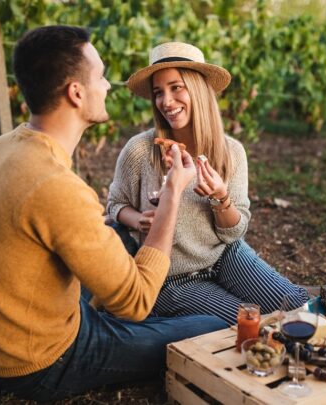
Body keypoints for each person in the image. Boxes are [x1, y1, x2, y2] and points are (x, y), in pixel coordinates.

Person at [0, 26, 226, 402]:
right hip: (39, 361)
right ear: (76, 93)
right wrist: (174, 193)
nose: (109, 86)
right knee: (214, 325)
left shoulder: (1, 148)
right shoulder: (57, 186)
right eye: (100, 76)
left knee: (114, 232)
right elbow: (137, 300)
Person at [107, 42, 309, 325]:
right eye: (158, 92)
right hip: (171, 278)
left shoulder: (231, 152)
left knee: (300, 310)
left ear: (198, 90)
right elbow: (115, 204)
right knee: (248, 325)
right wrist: (138, 219)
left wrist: (220, 198)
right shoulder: (140, 150)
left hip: (225, 257)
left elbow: (233, 232)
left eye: (176, 87)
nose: (166, 101)